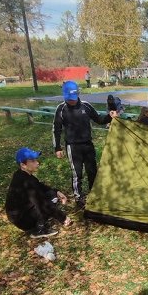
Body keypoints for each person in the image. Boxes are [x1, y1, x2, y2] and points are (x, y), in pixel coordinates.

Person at [53, 80, 117, 208]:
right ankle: (78, 198)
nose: (72, 101)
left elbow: (99, 119)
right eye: (69, 98)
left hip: (87, 144)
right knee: (77, 173)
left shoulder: (86, 106)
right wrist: (57, 147)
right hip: (73, 146)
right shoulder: (61, 109)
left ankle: (95, 193)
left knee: (92, 170)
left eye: (74, 97)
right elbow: (56, 129)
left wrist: (109, 116)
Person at [5, 147, 72, 238]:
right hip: (22, 219)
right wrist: (63, 218)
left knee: (52, 195)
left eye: (36, 160)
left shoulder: (24, 175)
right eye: (32, 161)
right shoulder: (26, 181)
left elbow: (41, 186)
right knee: (47, 202)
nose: (37, 163)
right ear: (23, 165)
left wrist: (57, 192)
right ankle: (39, 229)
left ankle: (39, 222)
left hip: (24, 212)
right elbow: (42, 204)